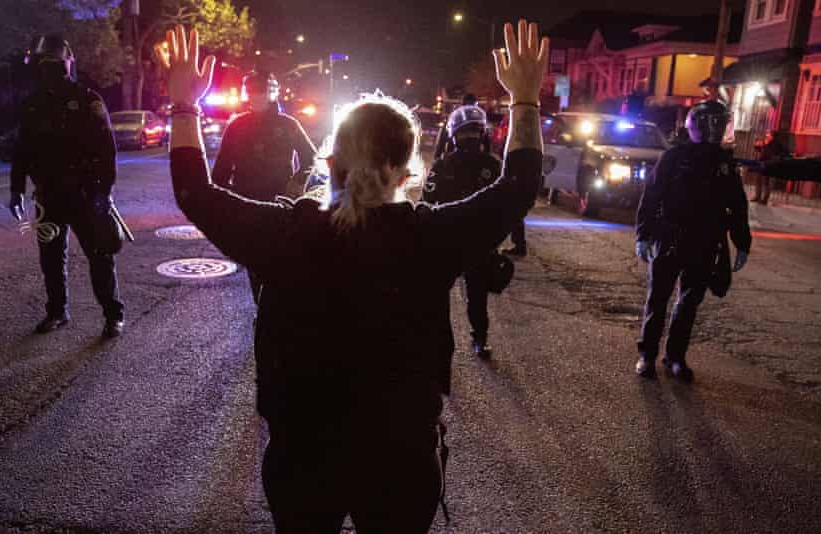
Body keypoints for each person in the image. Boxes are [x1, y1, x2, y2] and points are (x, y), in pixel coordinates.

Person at [159, 20, 545, 533]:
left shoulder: (286, 234)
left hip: (302, 454)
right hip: (401, 456)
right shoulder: (427, 238)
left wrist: (184, 105)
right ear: (407, 173)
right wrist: (525, 99)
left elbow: (193, 192)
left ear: (329, 161)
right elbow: (518, 187)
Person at [9, 34, 124, 338]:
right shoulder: (32, 105)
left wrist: (104, 192)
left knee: (100, 257)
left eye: (54, 63)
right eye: (43, 64)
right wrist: (16, 189)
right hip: (48, 197)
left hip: (86, 195)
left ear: (67, 64)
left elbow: (107, 152)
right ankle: (57, 312)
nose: (49, 70)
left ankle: (113, 315)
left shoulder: (88, 100)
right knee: (50, 258)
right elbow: (21, 151)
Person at [634, 100, 751, 380]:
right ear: (697, 125)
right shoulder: (675, 157)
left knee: (688, 302)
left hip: (706, 240)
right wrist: (644, 235)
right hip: (671, 236)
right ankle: (647, 355)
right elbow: (651, 196)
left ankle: (675, 357)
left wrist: (742, 241)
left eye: (721, 123)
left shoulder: (724, 164)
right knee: (658, 299)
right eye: (713, 123)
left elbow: (736, 205)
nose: (718, 129)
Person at [210, 69, 317, 304]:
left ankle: (274, 311)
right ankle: (263, 310)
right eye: (251, 92)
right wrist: (223, 203)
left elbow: (310, 158)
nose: (255, 96)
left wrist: (298, 181)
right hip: (246, 204)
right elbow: (221, 171)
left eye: (260, 91)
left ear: (271, 93)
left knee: (278, 261)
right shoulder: (237, 126)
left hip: (279, 203)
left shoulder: (288, 125)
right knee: (255, 262)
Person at [425, 105, 503, 359]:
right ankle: (438, 346)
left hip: (476, 241)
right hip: (447, 239)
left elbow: (506, 204)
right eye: (465, 133)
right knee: (436, 296)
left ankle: (479, 337)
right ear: (454, 136)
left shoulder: (492, 166)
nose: (469, 138)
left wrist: (496, 238)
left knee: (477, 296)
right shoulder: (443, 166)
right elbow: (428, 200)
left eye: (474, 132)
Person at [433, 93, 490, 159]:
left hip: (472, 156)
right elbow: (443, 137)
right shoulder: (456, 117)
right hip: (455, 155)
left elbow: (485, 136)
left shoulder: (478, 120)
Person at [751, 130, 785, 205]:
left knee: (765, 182)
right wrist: (757, 146)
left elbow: (772, 154)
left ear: (773, 136)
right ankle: (757, 196)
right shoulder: (765, 142)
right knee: (758, 180)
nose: (766, 135)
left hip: (768, 164)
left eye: (768, 134)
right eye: (767, 134)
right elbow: (760, 150)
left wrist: (766, 145)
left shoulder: (776, 144)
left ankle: (764, 199)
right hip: (761, 162)